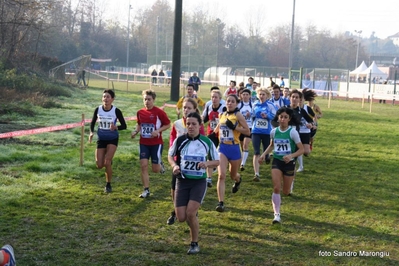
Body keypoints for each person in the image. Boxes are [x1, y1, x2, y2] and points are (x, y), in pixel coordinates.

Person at [168, 112, 219, 254]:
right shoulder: (180, 140)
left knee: (190, 213)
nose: (190, 126)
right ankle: (193, 216)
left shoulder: (206, 142)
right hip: (182, 181)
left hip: (198, 182)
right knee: (181, 217)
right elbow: (170, 155)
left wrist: (206, 163)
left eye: (194, 124)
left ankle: (194, 243)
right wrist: (174, 166)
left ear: (200, 125)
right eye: (188, 124)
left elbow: (217, 161)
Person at [259, 106, 304, 224]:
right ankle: (276, 215)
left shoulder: (293, 132)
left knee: (286, 191)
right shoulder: (274, 131)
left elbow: (301, 149)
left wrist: (291, 156)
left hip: (289, 163)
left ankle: (291, 182)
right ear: (278, 118)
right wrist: (263, 155)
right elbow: (272, 145)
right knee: (276, 188)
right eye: (281, 117)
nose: (283, 119)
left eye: (285, 117)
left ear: (289, 119)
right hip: (277, 161)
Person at [167, 98, 206, 225]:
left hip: (194, 161)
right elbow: (172, 138)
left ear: (195, 109)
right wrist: (173, 149)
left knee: (192, 185)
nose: (186, 110)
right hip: (179, 161)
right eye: (184, 107)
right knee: (174, 186)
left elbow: (203, 140)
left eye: (189, 108)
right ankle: (175, 209)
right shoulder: (177, 123)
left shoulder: (198, 124)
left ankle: (192, 208)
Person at [131, 89, 171, 198]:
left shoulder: (159, 112)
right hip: (143, 143)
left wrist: (157, 131)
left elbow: (168, 124)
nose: (147, 102)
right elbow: (139, 124)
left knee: (155, 169)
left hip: (156, 143)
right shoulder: (140, 112)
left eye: (149, 99)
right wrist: (135, 131)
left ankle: (160, 165)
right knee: (143, 166)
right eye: (145, 99)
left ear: (153, 100)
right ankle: (146, 190)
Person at [214, 94, 250, 212]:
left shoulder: (238, 115)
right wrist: (212, 135)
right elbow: (218, 129)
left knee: (233, 175)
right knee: (221, 175)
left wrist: (235, 127)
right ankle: (221, 203)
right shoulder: (222, 115)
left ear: (236, 103)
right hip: (223, 148)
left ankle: (238, 180)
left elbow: (247, 131)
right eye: (228, 101)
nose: (229, 103)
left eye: (232, 101)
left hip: (234, 149)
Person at [89, 89, 127, 193]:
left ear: (112, 99)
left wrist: (116, 127)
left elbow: (124, 126)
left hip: (112, 138)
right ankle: (107, 159)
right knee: (99, 165)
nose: (105, 99)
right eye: (104, 97)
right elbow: (92, 123)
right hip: (101, 138)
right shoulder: (98, 109)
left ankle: (108, 184)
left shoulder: (116, 111)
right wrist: (91, 132)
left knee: (107, 162)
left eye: (108, 97)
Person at [251, 87, 277, 181]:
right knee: (256, 152)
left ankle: (267, 156)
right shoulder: (255, 104)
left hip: (266, 132)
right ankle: (256, 174)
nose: (261, 96)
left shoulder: (270, 105)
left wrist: (267, 116)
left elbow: (276, 116)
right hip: (256, 131)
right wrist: (249, 115)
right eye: (260, 94)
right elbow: (252, 115)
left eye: (263, 94)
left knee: (266, 152)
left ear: (267, 95)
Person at [287, 89, 314, 173]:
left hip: (302, 132)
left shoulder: (303, 110)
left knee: (305, 151)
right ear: (290, 98)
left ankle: (295, 166)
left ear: (300, 99)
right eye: (293, 97)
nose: (295, 99)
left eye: (297, 97)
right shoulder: (286, 108)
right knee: (297, 149)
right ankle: (299, 166)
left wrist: (311, 125)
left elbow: (311, 119)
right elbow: (275, 120)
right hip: (290, 133)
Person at [202, 89, 225, 187]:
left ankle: (217, 167)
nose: (214, 99)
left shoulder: (223, 108)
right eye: (212, 97)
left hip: (223, 135)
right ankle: (209, 178)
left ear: (220, 99)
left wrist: (216, 130)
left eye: (216, 97)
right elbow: (204, 119)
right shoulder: (209, 107)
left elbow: (222, 122)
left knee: (221, 155)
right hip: (211, 134)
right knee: (210, 154)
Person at [238, 88, 253, 171]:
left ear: (250, 96)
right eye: (244, 94)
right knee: (241, 146)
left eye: (247, 94)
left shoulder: (252, 105)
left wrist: (250, 114)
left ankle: (242, 164)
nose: (245, 96)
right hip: (240, 128)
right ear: (241, 95)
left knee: (245, 145)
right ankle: (242, 159)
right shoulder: (239, 105)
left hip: (249, 127)